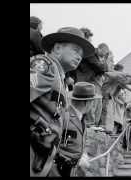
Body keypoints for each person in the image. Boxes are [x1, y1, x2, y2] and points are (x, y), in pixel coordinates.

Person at [30, 27, 95, 176]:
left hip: (42, 156)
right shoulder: (45, 65)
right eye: (75, 50)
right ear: (58, 48)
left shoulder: (61, 78)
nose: (79, 56)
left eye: (81, 54)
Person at [48, 82, 100, 177]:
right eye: (92, 102)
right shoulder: (64, 116)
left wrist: (83, 155)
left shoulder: (81, 119)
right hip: (59, 171)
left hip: (72, 171)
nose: (92, 105)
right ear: (86, 102)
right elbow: (50, 145)